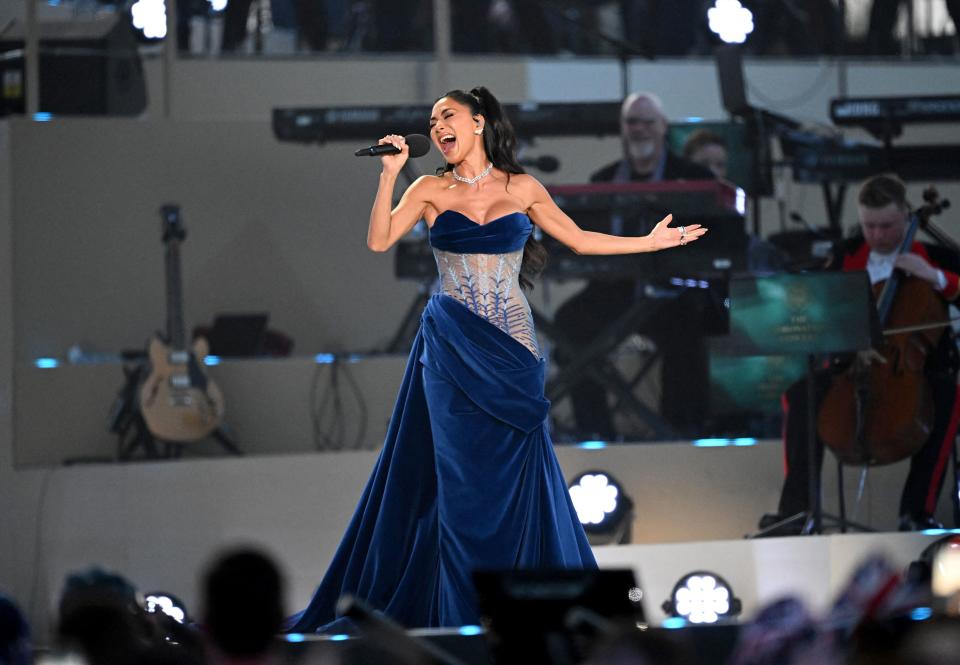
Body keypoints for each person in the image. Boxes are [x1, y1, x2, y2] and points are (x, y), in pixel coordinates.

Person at [285, 86, 705, 632]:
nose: (437, 126)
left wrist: (650, 244)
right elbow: (379, 240)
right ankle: (462, 614)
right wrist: (390, 174)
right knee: (460, 482)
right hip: (452, 348)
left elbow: (578, 239)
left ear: (479, 123)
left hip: (513, 353)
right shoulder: (428, 187)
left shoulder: (524, 187)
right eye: (432, 120)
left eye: (448, 116)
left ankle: (522, 603)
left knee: (514, 480)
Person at [760, 174, 960, 534]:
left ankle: (916, 512)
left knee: (950, 399)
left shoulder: (935, 257)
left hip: (918, 369)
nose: (878, 235)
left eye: (888, 225)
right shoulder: (845, 255)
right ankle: (797, 512)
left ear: (905, 215)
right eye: (870, 226)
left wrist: (935, 277)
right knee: (799, 395)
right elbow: (821, 312)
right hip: (849, 366)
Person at [552, 92, 716, 440]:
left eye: (647, 122)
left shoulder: (692, 176)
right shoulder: (603, 179)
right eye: (631, 122)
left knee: (688, 329)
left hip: (673, 292)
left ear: (663, 128)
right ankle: (594, 432)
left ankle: (680, 433)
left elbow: (713, 238)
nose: (639, 129)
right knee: (569, 324)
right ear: (622, 130)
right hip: (612, 291)